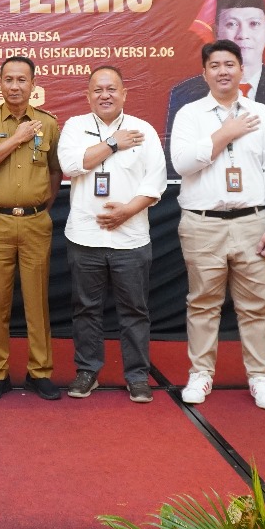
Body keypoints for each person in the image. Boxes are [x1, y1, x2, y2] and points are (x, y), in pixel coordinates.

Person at [169, 39, 265, 410]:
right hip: (202, 223)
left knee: (256, 306)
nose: (223, 71)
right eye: (215, 65)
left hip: (253, 222)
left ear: (241, 69)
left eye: (229, 64)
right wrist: (227, 132)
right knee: (202, 304)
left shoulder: (263, 115)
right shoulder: (190, 114)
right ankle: (200, 374)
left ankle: (260, 377)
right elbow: (182, 164)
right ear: (204, 73)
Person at [57, 66, 166, 403]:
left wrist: (126, 211)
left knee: (134, 311)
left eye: (111, 89)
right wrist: (113, 143)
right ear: (88, 95)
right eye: (98, 90)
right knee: (85, 309)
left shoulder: (143, 130)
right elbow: (71, 165)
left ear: (123, 94)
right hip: (84, 237)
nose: (105, 95)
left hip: (130, 238)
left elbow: (156, 182)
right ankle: (87, 371)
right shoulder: (75, 127)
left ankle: (137, 376)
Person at [0, 56, 63, 401]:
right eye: (8, 79)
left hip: (36, 221)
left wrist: (43, 206)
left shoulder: (48, 123)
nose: (14, 86)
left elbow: (55, 171)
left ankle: (40, 371)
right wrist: (17, 138)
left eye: (22, 80)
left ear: (33, 85)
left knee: (38, 300)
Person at [165, 0, 265, 170]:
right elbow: (177, 167)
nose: (243, 34)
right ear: (216, 31)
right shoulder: (185, 95)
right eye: (232, 24)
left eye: (254, 24)